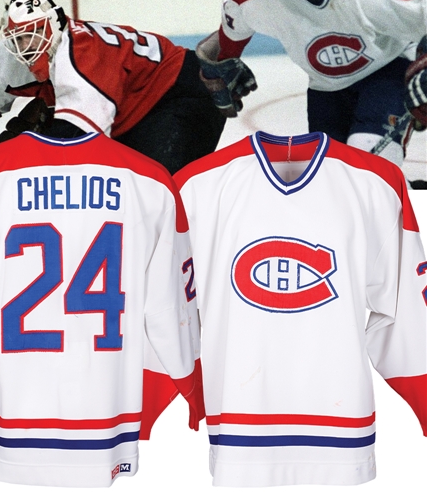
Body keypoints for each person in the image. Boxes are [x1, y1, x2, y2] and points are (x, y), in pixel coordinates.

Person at [0, 127, 204, 485]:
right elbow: (171, 312)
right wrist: (194, 390)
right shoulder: (150, 181)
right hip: (107, 425)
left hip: (11, 431)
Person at [174, 128, 427, 487]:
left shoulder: (378, 183)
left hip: (268, 422)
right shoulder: (193, 186)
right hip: (267, 426)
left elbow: (408, 312)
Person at [195, 0, 427, 184]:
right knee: (325, 183)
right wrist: (221, 63)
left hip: (387, 73)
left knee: (367, 174)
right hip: (325, 89)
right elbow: (231, 26)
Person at [0, 0, 232, 186]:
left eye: (33, 33)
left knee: (151, 195)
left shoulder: (80, 55)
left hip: (182, 94)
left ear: (55, 24)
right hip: (127, 107)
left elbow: (77, 148)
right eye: (18, 38)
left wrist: (20, 152)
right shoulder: (11, 55)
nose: (25, 45)